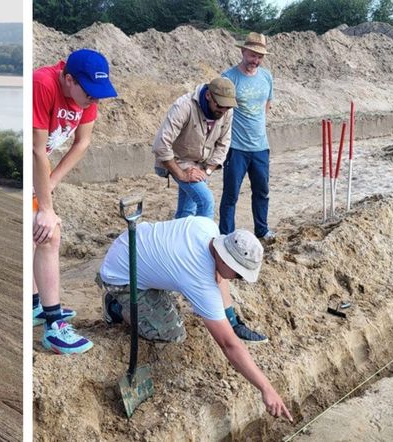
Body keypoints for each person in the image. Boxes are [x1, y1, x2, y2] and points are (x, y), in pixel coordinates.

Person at [98, 216, 292, 421]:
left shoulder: (208, 228)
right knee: (172, 332)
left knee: (197, 282)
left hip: (130, 243)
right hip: (120, 274)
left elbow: (220, 277)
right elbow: (228, 344)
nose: (239, 279)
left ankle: (146, 290)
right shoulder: (198, 279)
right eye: (239, 274)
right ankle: (115, 306)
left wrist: (232, 321)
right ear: (225, 259)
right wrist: (266, 388)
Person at [33, 49, 118, 354]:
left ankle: (34, 304)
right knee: (48, 234)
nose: (93, 101)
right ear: (68, 80)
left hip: (36, 173)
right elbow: (36, 150)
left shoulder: (86, 98)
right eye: (89, 93)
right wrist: (44, 206)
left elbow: (83, 142)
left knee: (36, 237)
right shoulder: (42, 85)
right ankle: (54, 326)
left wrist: (50, 185)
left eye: (98, 95)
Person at [153, 77, 236, 219]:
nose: (223, 110)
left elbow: (224, 143)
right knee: (206, 202)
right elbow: (161, 144)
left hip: (202, 164)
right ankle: (203, 239)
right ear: (208, 95)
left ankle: (179, 239)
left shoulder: (227, 111)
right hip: (179, 161)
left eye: (227, 107)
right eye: (220, 105)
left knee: (187, 211)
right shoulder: (184, 106)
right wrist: (181, 174)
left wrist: (207, 170)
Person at [219, 32, 275, 242]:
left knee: (262, 191)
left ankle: (262, 229)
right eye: (252, 55)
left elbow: (267, 104)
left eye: (260, 57)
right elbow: (221, 112)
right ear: (243, 51)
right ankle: (226, 234)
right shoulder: (229, 78)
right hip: (236, 148)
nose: (256, 61)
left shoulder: (266, 76)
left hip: (260, 146)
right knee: (231, 194)